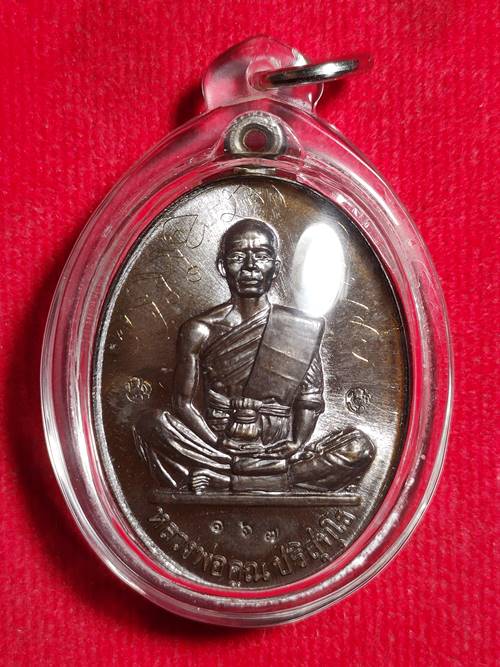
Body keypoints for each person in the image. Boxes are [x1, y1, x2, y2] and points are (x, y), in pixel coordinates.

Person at [134, 218, 375, 494]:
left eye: (262, 256)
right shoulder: (199, 330)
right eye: (238, 257)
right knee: (151, 424)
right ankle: (269, 477)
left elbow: (310, 397)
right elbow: (182, 403)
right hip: (219, 449)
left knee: (359, 447)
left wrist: (297, 443)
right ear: (222, 267)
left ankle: (231, 480)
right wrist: (217, 443)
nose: (250, 266)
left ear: (276, 267)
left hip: (278, 450)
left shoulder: (299, 328)